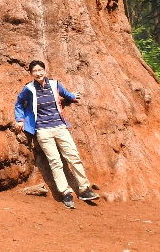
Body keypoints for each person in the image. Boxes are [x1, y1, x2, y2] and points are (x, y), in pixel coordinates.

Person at [14, 60, 99, 208]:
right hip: (42, 130)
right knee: (55, 162)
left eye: (41, 70)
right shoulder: (28, 89)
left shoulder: (54, 84)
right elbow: (19, 103)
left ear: (45, 71)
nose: (38, 73)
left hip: (60, 127)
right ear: (31, 73)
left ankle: (84, 189)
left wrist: (72, 96)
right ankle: (65, 192)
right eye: (35, 71)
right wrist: (20, 119)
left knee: (74, 157)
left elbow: (64, 93)